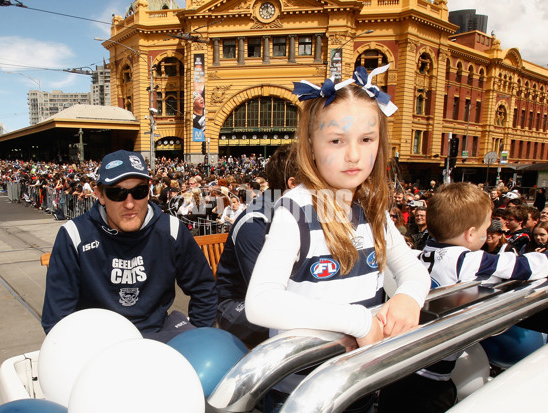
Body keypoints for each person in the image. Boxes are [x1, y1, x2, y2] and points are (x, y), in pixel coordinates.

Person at [245, 66, 430, 412]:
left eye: (366, 139)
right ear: (311, 145)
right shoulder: (296, 209)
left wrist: (408, 297)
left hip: (357, 383)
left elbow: (413, 270)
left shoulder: (372, 206)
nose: (354, 156)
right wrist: (358, 321)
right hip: (300, 392)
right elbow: (260, 303)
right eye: (336, 141)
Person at [382, 182, 548, 413]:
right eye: (486, 229)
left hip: (399, 367)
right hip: (430, 375)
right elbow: (528, 266)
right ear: (470, 234)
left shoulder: (419, 255)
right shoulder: (466, 261)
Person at [41, 150, 217, 342]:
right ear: (100, 195)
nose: (130, 204)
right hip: (98, 343)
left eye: (139, 191)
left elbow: (204, 289)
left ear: (148, 191)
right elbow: (57, 318)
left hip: (157, 338)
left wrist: (198, 339)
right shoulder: (74, 235)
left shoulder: (171, 230)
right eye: (117, 193)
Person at [215, 144, 297, 347]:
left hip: (274, 298)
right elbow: (266, 294)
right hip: (238, 305)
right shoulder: (255, 222)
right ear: (293, 185)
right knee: (295, 329)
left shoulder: (297, 212)